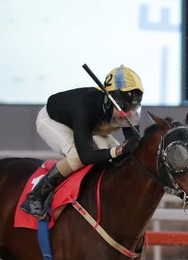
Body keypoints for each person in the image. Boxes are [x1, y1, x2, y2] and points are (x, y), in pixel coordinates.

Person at [20, 65, 144, 220]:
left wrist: (128, 147)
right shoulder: (86, 106)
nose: (130, 113)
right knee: (76, 156)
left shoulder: (121, 106)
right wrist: (117, 151)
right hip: (53, 120)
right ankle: (35, 197)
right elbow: (85, 155)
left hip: (90, 125)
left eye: (134, 107)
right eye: (125, 108)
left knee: (117, 153)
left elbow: (133, 140)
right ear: (110, 100)